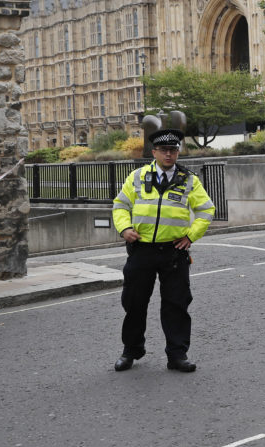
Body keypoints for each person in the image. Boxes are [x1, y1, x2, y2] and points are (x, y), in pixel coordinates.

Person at [112, 128, 216, 373]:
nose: (169, 155)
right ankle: (131, 350)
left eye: (174, 150)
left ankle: (177, 355)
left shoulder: (189, 179)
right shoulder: (137, 176)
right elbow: (120, 206)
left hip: (173, 252)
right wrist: (125, 228)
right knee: (134, 303)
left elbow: (206, 210)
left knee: (176, 304)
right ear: (154, 152)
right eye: (164, 150)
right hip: (141, 250)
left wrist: (191, 235)